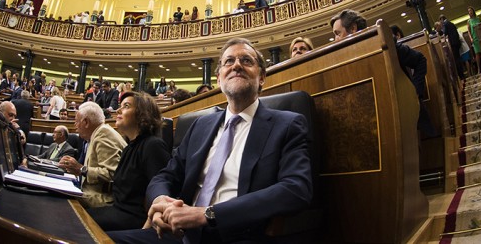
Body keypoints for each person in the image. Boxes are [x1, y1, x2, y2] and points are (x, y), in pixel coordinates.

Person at [109, 38, 312, 243]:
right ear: (219, 79)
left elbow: (296, 188)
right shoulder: (200, 126)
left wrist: (207, 214)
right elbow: (165, 176)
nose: (237, 65)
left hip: (237, 235)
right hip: (180, 234)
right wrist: (161, 200)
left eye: (247, 61)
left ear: (261, 77)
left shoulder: (287, 124)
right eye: (229, 61)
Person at [87, 92, 171, 231]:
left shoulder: (153, 146)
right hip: (117, 211)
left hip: (135, 220)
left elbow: (163, 193)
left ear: (143, 114)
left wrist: (142, 233)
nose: (118, 110)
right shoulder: (129, 148)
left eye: (126, 106)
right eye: (120, 106)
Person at [58, 102, 128, 208]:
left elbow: (111, 174)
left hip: (103, 200)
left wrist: (81, 169)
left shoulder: (103, 134)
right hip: (92, 194)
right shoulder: (96, 134)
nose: (75, 126)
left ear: (86, 122)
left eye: (76, 122)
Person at [439, 14, 465, 79]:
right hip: (457, 42)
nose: (441, 23)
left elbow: (445, 33)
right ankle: (462, 74)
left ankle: (461, 75)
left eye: (440, 21)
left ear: (442, 19)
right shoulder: (451, 23)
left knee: (456, 60)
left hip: (453, 44)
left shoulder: (445, 24)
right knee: (458, 58)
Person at [467, 7, 481, 74]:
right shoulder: (469, 21)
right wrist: (471, 38)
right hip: (474, 38)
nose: (469, 12)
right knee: (477, 54)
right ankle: (479, 69)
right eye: (468, 11)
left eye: (470, 10)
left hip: (480, 37)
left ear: (473, 11)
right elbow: (468, 31)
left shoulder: (478, 19)